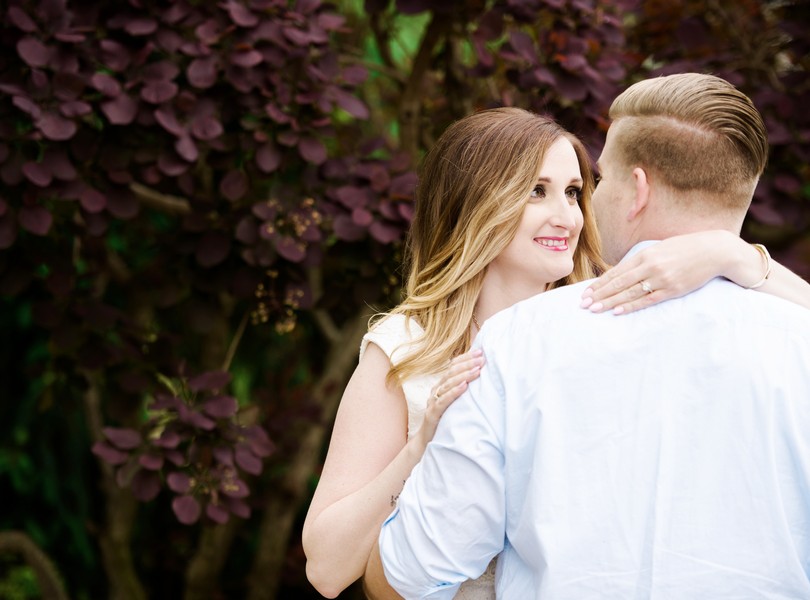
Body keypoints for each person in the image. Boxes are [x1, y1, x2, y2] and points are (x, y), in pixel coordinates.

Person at [304, 103, 810, 598]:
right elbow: (326, 571)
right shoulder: (407, 347)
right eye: (536, 192)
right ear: (474, 203)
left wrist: (732, 253)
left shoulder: (619, 313)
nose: (567, 215)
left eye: (574, 192)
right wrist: (419, 449)